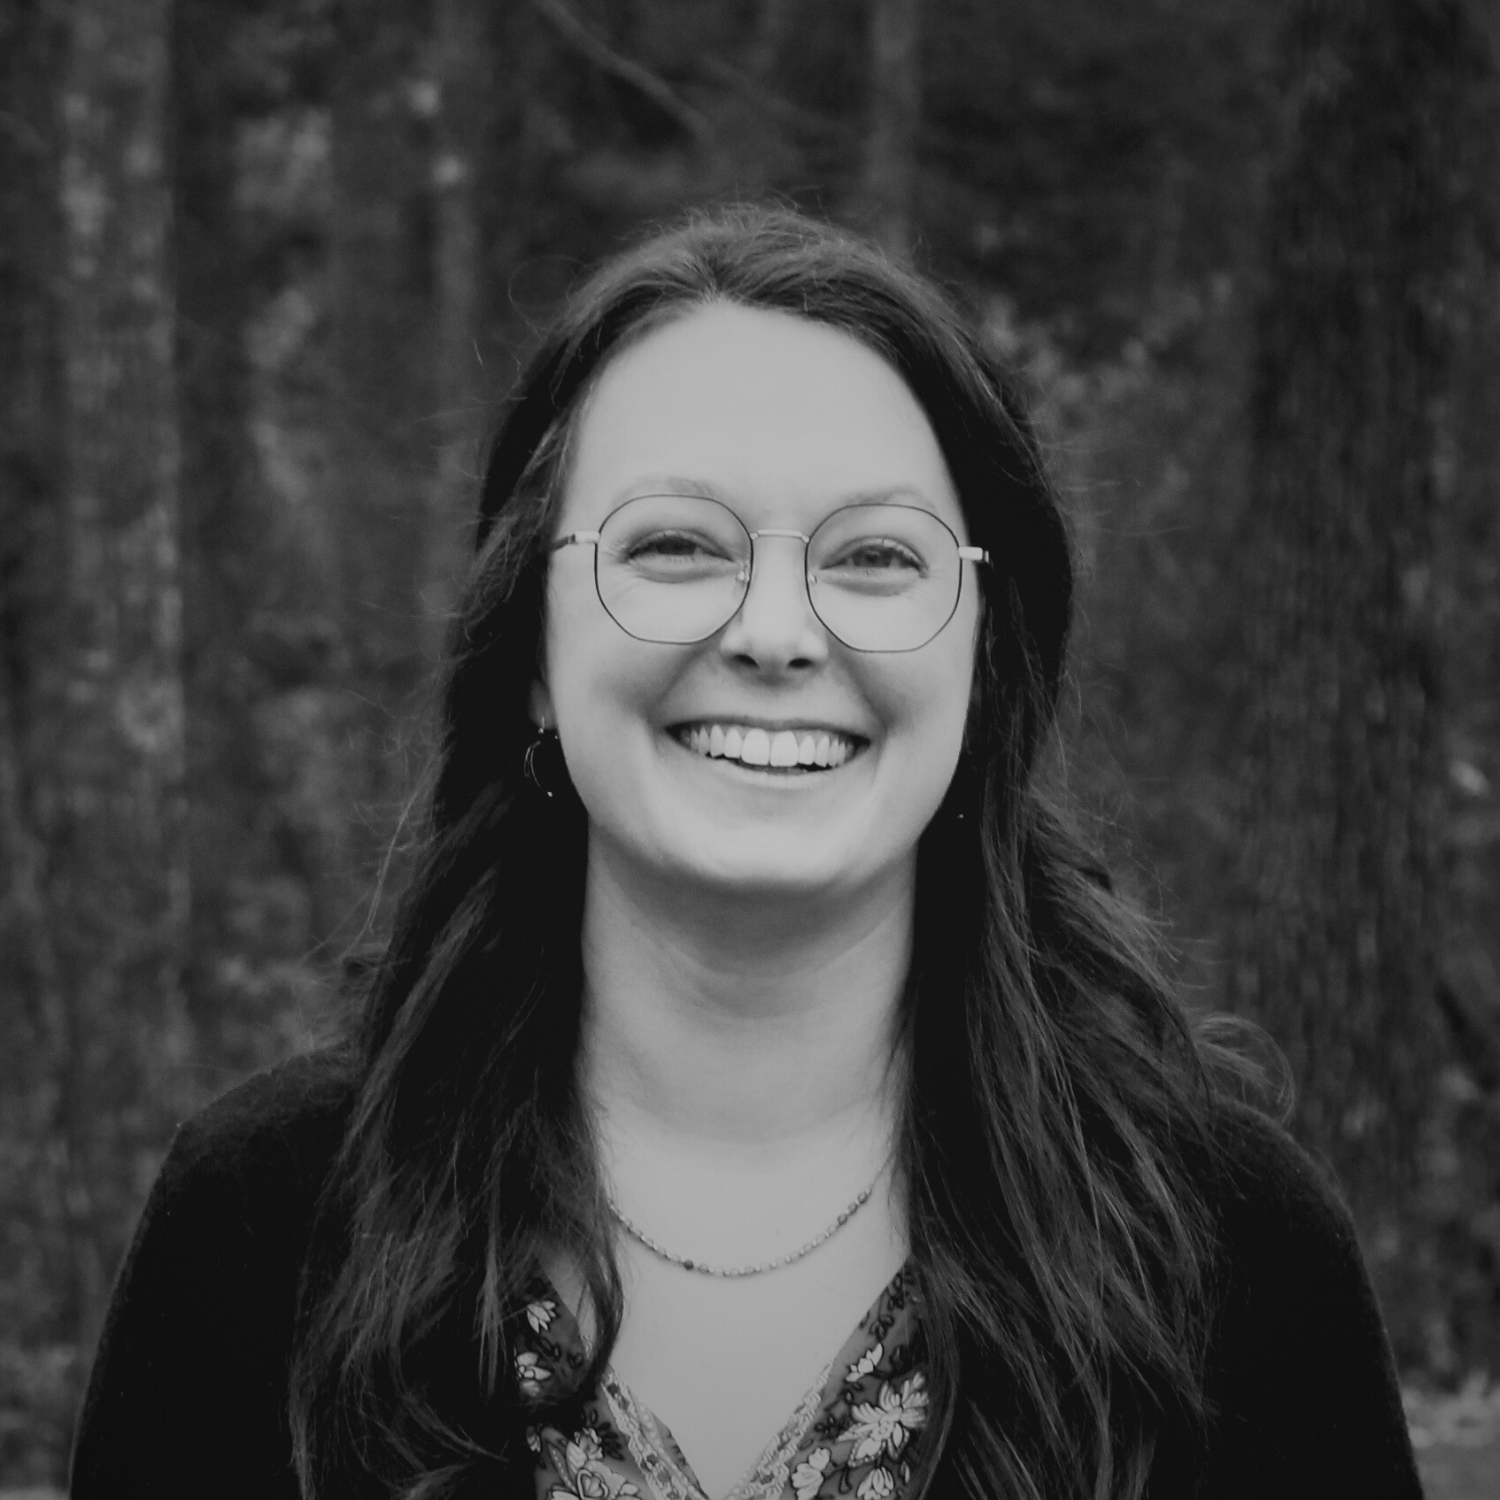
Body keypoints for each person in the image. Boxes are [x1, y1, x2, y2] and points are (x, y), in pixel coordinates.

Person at [70, 206, 1422, 1500]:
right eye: (675, 544)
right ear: (533, 650)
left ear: (985, 660)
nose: (776, 630)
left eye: (877, 558)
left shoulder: (1231, 1258)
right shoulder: (261, 1232)